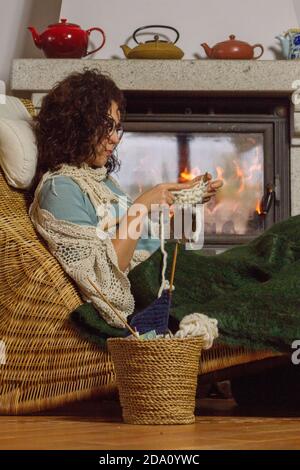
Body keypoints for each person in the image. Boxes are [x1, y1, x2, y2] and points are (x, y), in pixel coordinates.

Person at [29, 69, 222, 329]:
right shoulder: (60, 189)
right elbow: (106, 278)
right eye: (106, 126)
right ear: (76, 125)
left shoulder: (102, 181)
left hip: (171, 273)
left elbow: (153, 241)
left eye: (117, 127)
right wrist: (141, 206)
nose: (115, 138)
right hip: (156, 291)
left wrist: (188, 202)